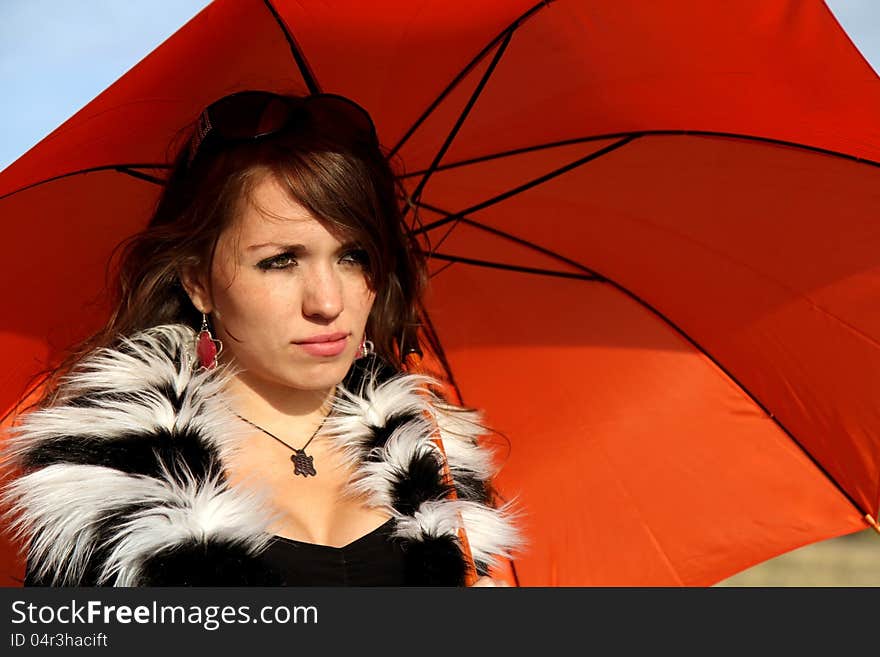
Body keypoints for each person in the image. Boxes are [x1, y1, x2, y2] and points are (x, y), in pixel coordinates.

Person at [1, 90, 522, 586]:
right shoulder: (111, 491)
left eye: (353, 256)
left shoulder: (439, 462)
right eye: (280, 261)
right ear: (197, 281)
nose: (327, 302)